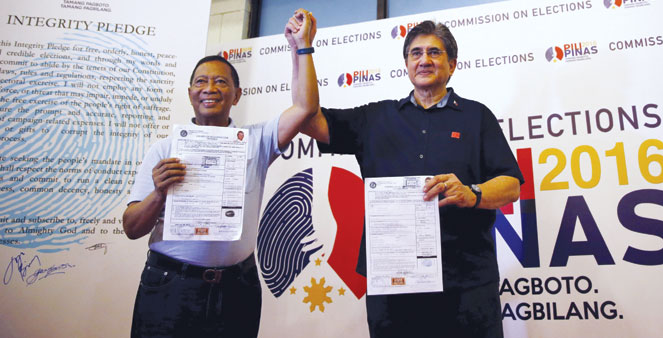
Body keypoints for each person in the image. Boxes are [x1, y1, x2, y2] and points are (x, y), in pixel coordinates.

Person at [300, 20, 524, 337]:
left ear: (452, 65)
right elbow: (307, 118)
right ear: (406, 64)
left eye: (435, 52)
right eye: (416, 53)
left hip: (466, 283)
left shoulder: (477, 116)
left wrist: (470, 192)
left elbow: (511, 185)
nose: (424, 60)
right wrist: (303, 50)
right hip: (394, 285)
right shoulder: (375, 118)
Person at [122, 9, 317, 337]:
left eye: (221, 81)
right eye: (201, 81)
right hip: (170, 288)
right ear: (190, 93)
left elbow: (304, 108)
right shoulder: (164, 150)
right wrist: (159, 193)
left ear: (237, 95)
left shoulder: (256, 141)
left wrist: (302, 47)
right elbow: (131, 228)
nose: (209, 88)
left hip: (236, 289)